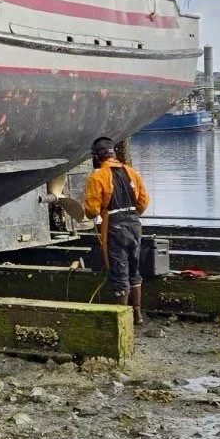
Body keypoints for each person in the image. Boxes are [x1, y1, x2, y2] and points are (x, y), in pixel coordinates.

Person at [83, 135, 150, 321]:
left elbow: (91, 210)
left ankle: (123, 319)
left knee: (119, 271)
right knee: (134, 269)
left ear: (96, 156)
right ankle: (137, 314)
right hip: (134, 224)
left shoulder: (98, 176)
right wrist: (131, 215)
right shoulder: (132, 172)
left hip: (114, 225)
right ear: (113, 153)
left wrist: (98, 213)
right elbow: (143, 202)